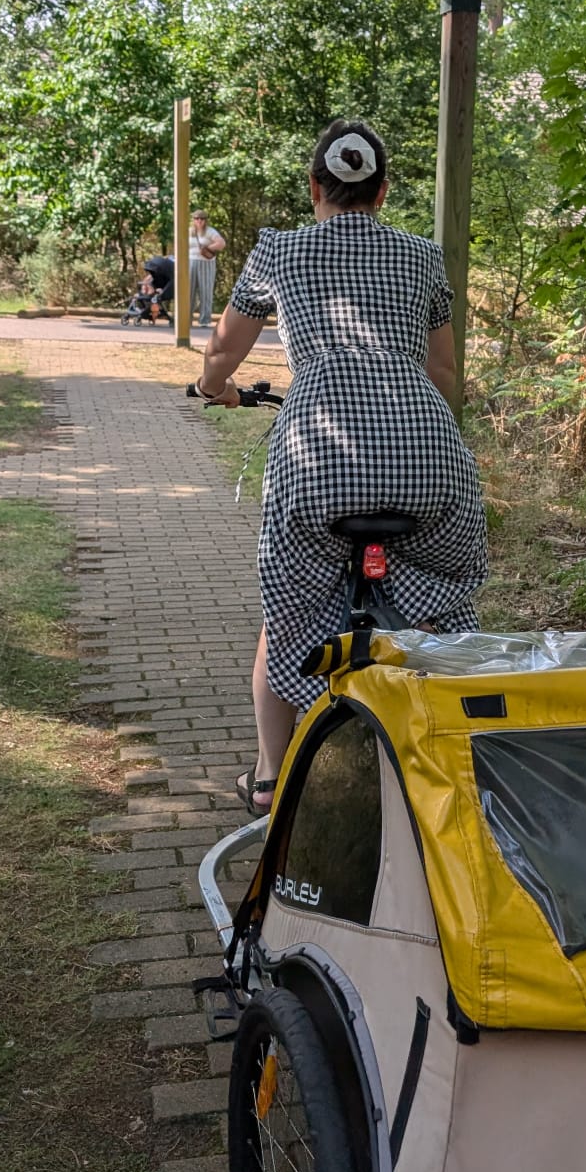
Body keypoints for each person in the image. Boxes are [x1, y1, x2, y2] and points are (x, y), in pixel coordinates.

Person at [196, 118, 487, 812]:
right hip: (426, 454)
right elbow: (444, 371)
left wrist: (219, 391)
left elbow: (220, 356)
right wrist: (420, 434)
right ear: (382, 192)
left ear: (313, 186)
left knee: (289, 608)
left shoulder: (280, 251)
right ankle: (450, 759)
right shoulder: (422, 257)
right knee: (443, 603)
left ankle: (269, 779)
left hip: (318, 456)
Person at [188, 210, 226, 328]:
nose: (199, 221)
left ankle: (204, 319)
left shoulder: (210, 232)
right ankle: (186, 319)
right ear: (193, 220)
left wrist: (207, 247)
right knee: (189, 292)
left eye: (202, 219)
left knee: (205, 291)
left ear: (205, 220)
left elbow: (221, 243)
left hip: (206, 263)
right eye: (197, 218)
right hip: (191, 262)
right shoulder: (190, 232)